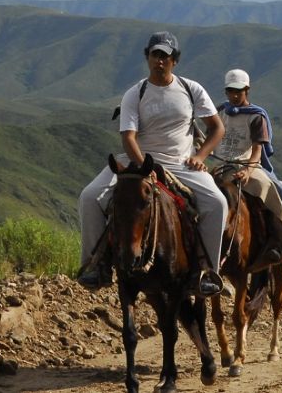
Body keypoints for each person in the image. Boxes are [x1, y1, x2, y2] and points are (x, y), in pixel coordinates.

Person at [77, 31, 228, 296]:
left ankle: (206, 271)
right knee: (89, 197)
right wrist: (145, 168)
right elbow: (128, 138)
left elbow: (217, 128)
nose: (160, 61)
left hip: (182, 163)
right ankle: (95, 265)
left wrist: (200, 156)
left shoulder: (191, 90)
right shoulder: (135, 93)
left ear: (175, 61)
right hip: (139, 162)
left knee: (217, 203)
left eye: (166, 56)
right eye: (156, 55)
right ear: (147, 57)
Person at [213, 68, 282, 271]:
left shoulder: (256, 117)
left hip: (245, 164)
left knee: (270, 189)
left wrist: (248, 172)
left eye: (238, 91)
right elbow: (211, 137)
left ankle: (278, 241)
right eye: (230, 91)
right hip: (220, 164)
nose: (234, 95)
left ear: (247, 90)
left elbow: (257, 150)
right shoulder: (220, 111)